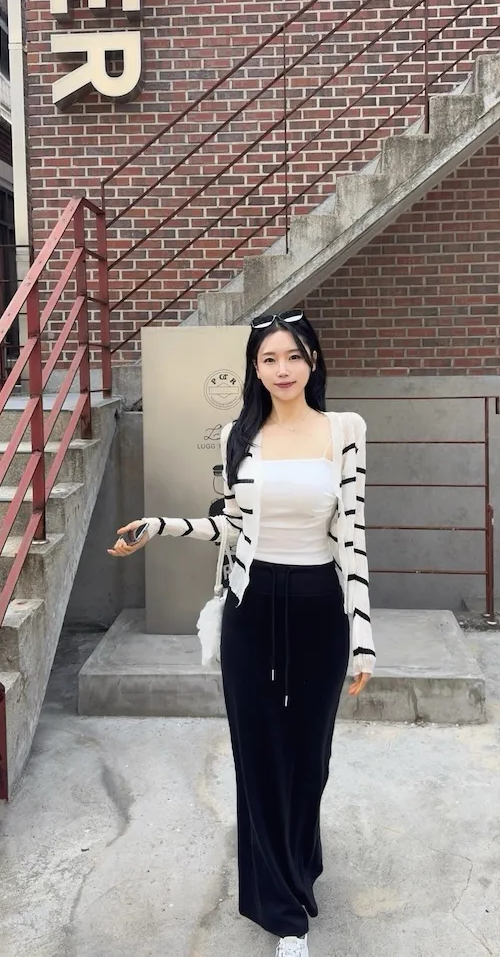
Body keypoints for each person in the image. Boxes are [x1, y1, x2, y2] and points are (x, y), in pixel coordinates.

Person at [109, 310, 376, 957]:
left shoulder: (344, 430)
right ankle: (284, 915)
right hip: (251, 608)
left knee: (309, 757)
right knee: (258, 754)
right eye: (269, 359)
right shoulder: (238, 435)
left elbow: (354, 536)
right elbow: (231, 526)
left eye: (294, 356)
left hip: (319, 604)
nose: (283, 369)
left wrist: (363, 634)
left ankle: (299, 862)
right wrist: (160, 527)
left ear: (313, 361)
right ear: (254, 369)